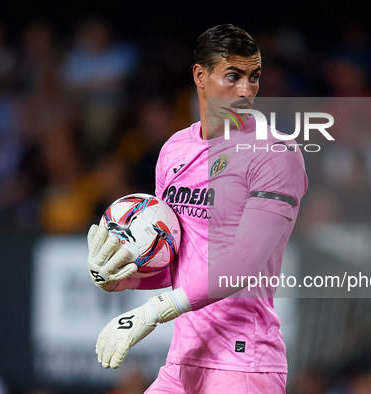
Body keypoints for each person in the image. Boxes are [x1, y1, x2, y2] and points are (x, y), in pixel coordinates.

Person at [87, 24, 307, 393]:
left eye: (254, 77)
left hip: (243, 364)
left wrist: (154, 311)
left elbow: (244, 262)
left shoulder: (275, 153)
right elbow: (173, 260)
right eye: (233, 76)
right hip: (184, 359)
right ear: (200, 76)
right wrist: (121, 276)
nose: (246, 90)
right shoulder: (174, 149)